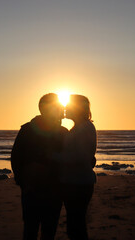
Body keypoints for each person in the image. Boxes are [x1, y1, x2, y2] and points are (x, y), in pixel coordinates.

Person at [11, 93, 68, 240]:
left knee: (39, 229)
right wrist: (23, 181)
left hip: (48, 188)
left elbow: (16, 157)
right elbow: (16, 157)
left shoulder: (60, 131)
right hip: (37, 188)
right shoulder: (30, 130)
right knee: (36, 229)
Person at [58, 94, 97, 240]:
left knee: (76, 226)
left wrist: (52, 156)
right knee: (75, 225)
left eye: (69, 105)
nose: (65, 108)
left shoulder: (85, 128)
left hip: (78, 183)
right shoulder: (80, 127)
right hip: (75, 182)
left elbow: (80, 157)